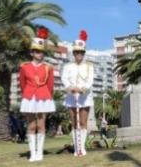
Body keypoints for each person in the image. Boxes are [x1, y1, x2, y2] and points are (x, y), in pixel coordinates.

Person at [19, 28, 55, 162]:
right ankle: (32, 153)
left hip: (43, 97)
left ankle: (40, 152)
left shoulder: (48, 67)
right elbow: (22, 83)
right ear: (32, 52)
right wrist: (27, 94)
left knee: (41, 125)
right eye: (37, 51)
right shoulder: (24, 67)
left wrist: (47, 96)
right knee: (31, 125)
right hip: (29, 97)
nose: (40, 54)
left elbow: (50, 85)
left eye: (42, 52)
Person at [62, 30, 95, 157]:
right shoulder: (67, 66)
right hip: (71, 97)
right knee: (74, 123)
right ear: (73, 53)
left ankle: (82, 148)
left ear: (84, 53)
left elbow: (90, 80)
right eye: (77, 52)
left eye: (81, 52)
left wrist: (82, 89)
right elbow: (64, 79)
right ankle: (76, 148)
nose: (79, 54)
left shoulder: (89, 66)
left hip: (84, 97)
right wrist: (70, 88)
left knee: (83, 122)